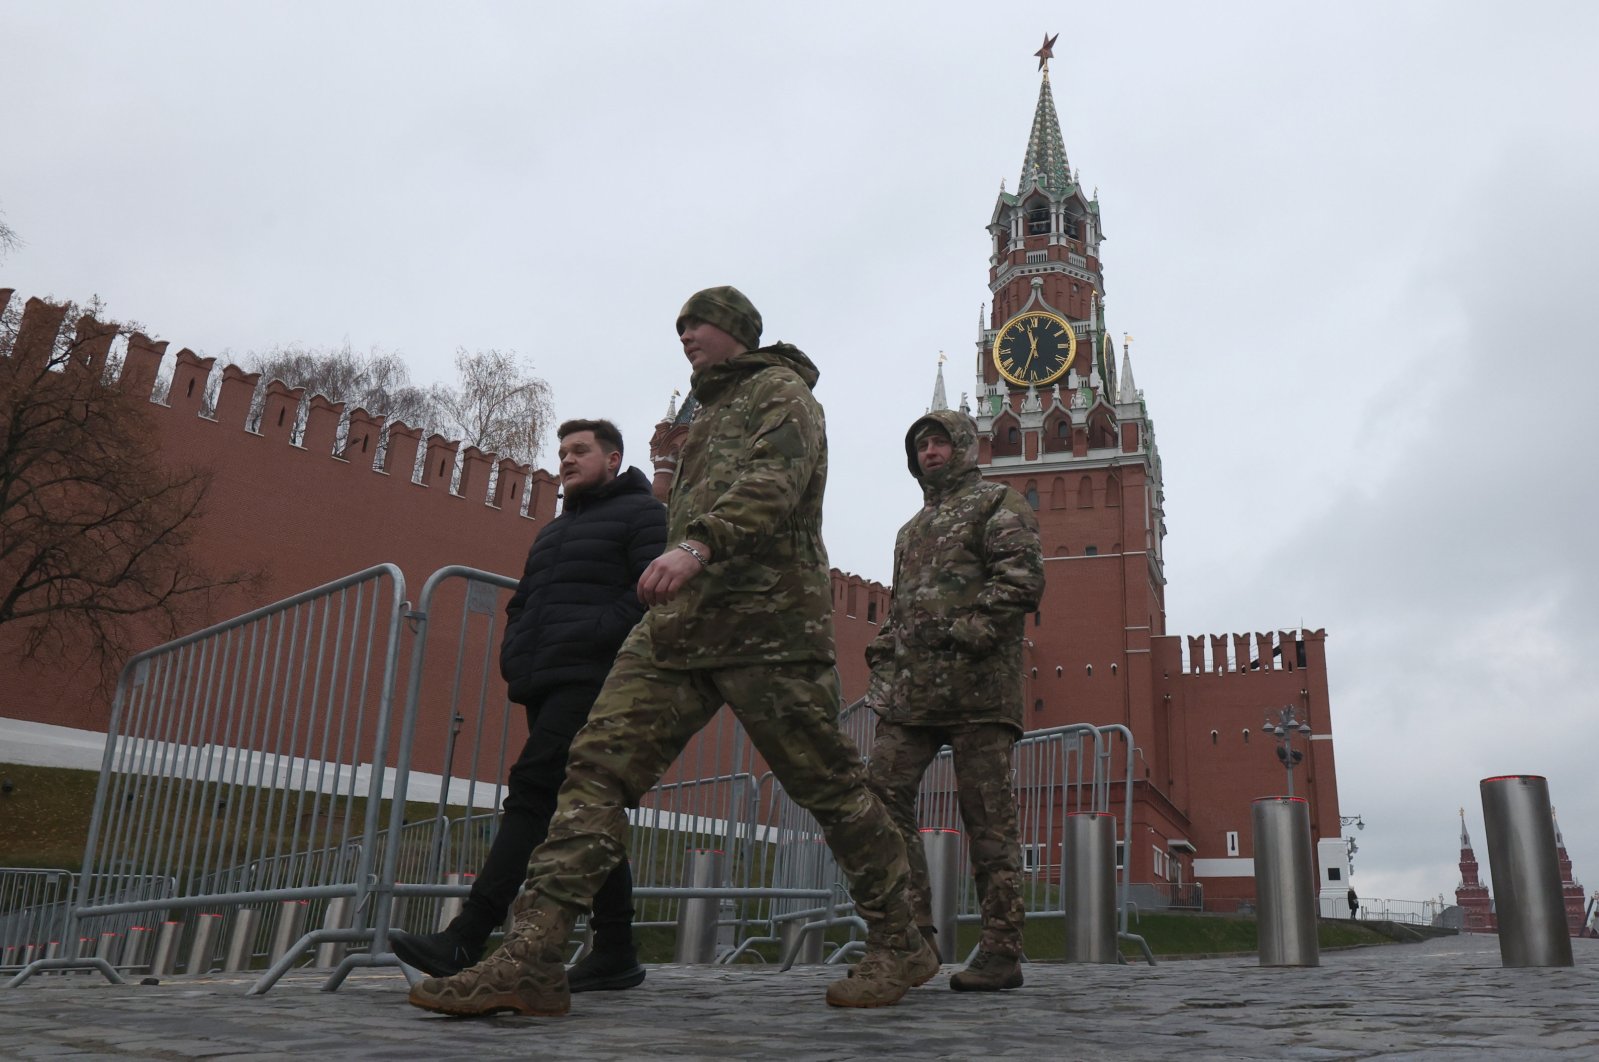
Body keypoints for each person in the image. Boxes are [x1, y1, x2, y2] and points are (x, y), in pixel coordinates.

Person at [407, 285, 934, 1018]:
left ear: (738, 332)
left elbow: (773, 485)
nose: (685, 334)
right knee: (591, 772)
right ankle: (531, 956)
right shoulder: (707, 416)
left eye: (699, 323)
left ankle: (899, 939)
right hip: (678, 632)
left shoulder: (783, 395)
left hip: (767, 631)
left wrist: (696, 545)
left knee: (832, 790)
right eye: (680, 325)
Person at [391, 419, 666, 993]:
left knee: (534, 793)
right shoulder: (553, 532)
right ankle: (615, 949)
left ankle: (468, 933)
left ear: (613, 459)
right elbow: (525, 603)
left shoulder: (644, 514)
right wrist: (515, 654)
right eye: (562, 451)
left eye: (580, 450)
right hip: (544, 680)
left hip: (595, 677)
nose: (566, 459)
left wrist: (592, 635)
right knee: (588, 805)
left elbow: (651, 591)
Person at [864, 409, 1044, 991]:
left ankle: (1001, 949)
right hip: (913, 696)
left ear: (964, 447)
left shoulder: (998, 503)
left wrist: (966, 631)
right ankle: (910, 935)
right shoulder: (910, 531)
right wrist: (883, 656)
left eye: (940, 442)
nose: (930, 452)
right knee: (880, 795)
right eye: (920, 445)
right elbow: (901, 609)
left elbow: (1021, 579)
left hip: (979, 691)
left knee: (987, 821)